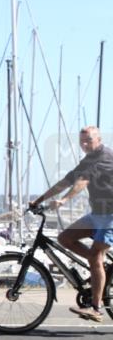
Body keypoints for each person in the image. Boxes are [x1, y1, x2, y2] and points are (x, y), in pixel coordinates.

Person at [29, 126, 113, 322]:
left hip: (111, 217)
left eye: (89, 140)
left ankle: (96, 308)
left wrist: (64, 201)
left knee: (95, 258)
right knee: (65, 238)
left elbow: (82, 181)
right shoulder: (88, 158)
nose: (84, 144)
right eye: (82, 141)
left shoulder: (105, 157)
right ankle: (99, 266)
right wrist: (39, 200)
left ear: (98, 139)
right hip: (96, 215)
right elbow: (67, 180)